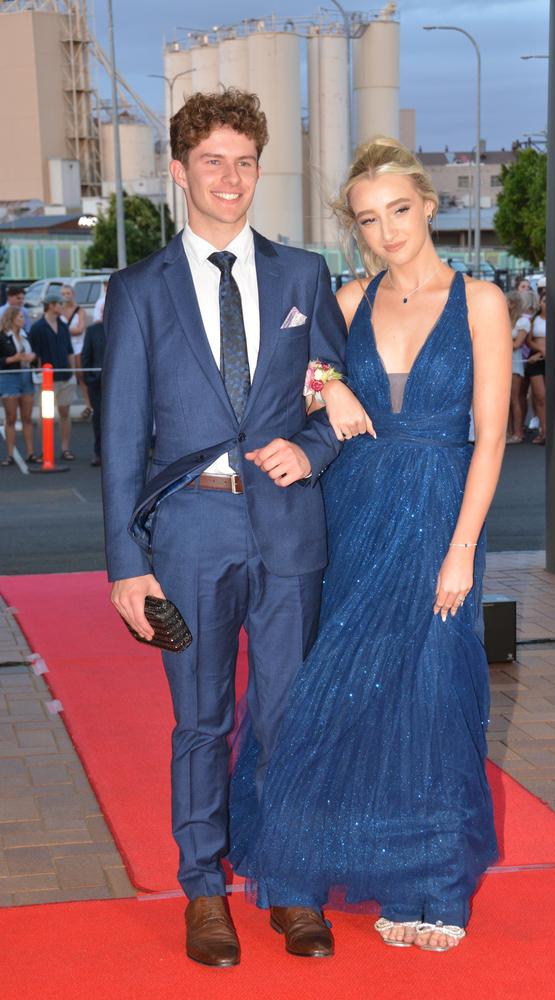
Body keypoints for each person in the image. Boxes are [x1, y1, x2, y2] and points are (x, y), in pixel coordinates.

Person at [229, 136, 511, 954]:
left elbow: (490, 439)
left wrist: (462, 550)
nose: (387, 231)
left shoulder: (482, 302)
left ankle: (428, 885)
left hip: (437, 516)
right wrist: (332, 382)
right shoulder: (348, 300)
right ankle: (337, 854)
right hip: (350, 511)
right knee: (344, 689)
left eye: (398, 210)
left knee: (431, 692)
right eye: (367, 220)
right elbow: (294, 374)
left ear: (428, 204)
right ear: (354, 231)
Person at [101, 88, 351, 969]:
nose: (232, 177)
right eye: (213, 161)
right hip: (191, 534)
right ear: (180, 172)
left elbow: (331, 389)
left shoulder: (302, 275)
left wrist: (312, 452)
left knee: (289, 717)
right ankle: (203, 890)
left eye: (245, 160)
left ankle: (290, 887)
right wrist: (126, 568)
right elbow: (122, 440)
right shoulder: (136, 291)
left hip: (288, 531)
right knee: (201, 724)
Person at [28, 292, 75, 460]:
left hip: (65, 376)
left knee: (65, 412)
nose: (62, 307)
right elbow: (34, 354)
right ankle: (46, 449)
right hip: (47, 380)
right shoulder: (37, 328)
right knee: (45, 415)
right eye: (60, 304)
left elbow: (69, 351)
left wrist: (73, 372)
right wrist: (38, 375)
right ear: (51, 305)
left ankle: (65, 448)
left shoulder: (63, 326)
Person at [0, 306, 39, 465]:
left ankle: (30, 453)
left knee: (27, 418)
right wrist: (13, 358)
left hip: (26, 375)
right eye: (21, 317)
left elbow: (34, 356)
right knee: (11, 417)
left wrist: (33, 357)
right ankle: (9, 454)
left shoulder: (25, 336)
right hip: (9, 377)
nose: (24, 320)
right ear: (12, 318)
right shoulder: (2, 337)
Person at [60, 283, 91, 419]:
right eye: (63, 294)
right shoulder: (59, 310)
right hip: (64, 348)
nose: (66, 296)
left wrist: (63, 331)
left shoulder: (80, 311)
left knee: (81, 377)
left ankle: (88, 405)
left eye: (68, 293)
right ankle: (65, 406)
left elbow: (80, 329)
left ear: (73, 294)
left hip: (78, 347)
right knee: (65, 378)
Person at [80, 301, 105, 466]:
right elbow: (85, 357)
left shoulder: (122, 329)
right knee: (98, 419)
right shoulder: (92, 331)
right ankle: (99, 453)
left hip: (120, 384)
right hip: (96, 383)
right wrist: (89, 379)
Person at [505, 290, 529, 443]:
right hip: (504, 363)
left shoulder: (522, 322)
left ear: (513, 304)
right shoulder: (503, 320)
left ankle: (518, 432)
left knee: (515, 399)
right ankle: (507, 432)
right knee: (505, 401)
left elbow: (517, 344)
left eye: (507, 301)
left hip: (515, 363)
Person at [524, 288, 546, 444]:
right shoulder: (534, 319)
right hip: (535, 360)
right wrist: (540, 350)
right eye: (544, 301)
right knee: (539, 397)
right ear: (540, 302)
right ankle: (543, 430)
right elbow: (529, 340)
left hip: (548, 359)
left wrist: (541, 353)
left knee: (551, 398)